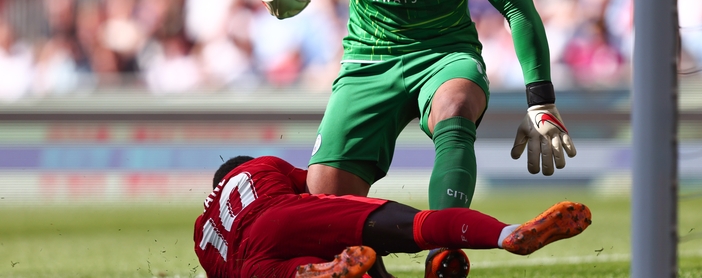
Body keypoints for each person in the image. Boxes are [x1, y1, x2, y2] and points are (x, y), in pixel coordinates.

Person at [256, 0, 577, 276]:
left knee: (456, 104)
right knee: (323, 199)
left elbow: (517, 6)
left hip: (443, 54)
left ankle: (444, 250)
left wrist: (540, 99)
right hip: (368, 60)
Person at [194, 155, 592, 278]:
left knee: (320, 269)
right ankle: (508, 234)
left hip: (248, 268)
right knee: (415, 225)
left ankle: (317, 272)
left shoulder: (200, 231)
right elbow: (320, 189)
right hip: (274, 217)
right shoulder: (258, 167)